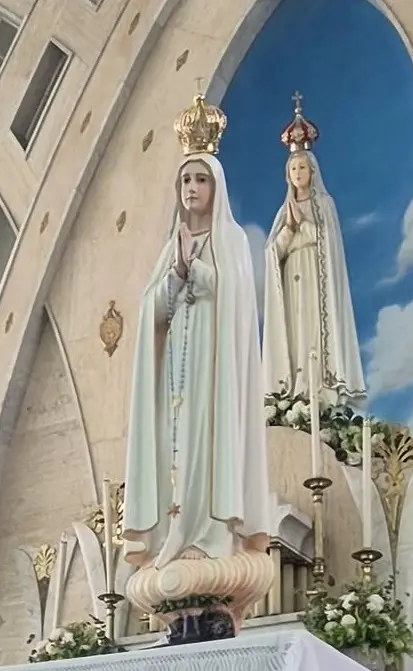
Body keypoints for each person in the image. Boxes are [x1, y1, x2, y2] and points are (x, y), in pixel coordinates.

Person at [122, 95, 273, 572]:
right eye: (185, 179)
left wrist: (197, 271)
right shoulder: (172, 245)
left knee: (206, 448)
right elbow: (152, 311)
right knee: (175, 447)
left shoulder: (230, 241)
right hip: (175, 380)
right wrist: (175, 275)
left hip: (213, 374)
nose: (191, 187)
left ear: (216, 186)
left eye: (200, 178)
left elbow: (237, 302)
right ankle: (173, 532)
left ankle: (210, 535)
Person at [263, 94, 366, 405]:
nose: (298, 173)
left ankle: (322, 389)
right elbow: (273, 254)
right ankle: (294, 391)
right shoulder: (284, 212)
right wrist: (290, 230)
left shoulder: (325, 205)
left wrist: (304, 228)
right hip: (293, 277)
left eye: (302, 168)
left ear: (312, 171)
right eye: (293, 169)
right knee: (296, 331)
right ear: (287, 174)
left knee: (314, 329)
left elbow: (327, 246)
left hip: (315, 279)